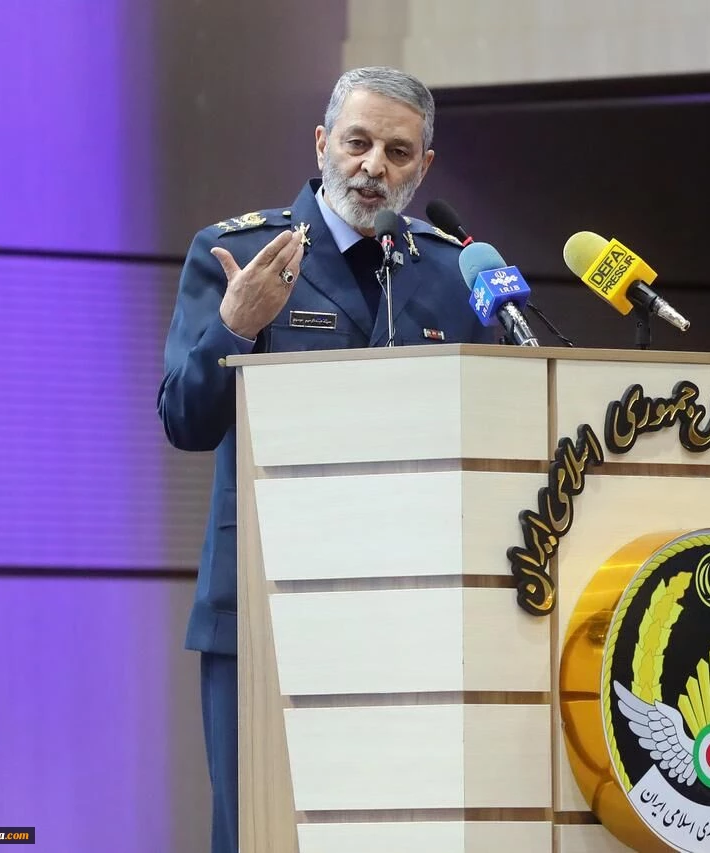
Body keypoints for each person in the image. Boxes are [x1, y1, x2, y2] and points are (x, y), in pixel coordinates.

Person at [157, 66, 491, 853]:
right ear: (321, 144)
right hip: (262, 607)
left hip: (411, 614)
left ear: (424, 166)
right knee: (262, 832)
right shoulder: (238, 252)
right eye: (357, 143)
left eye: (398, 152)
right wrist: (235, 328)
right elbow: (184, 421)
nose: (374, 166)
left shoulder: (451, 273)